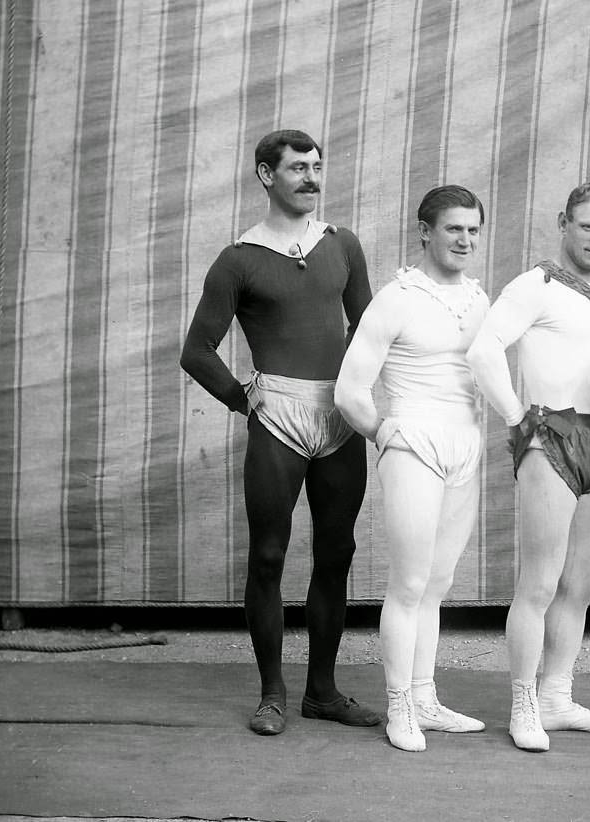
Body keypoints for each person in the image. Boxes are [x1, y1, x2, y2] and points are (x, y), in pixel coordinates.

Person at [180, 129, 381, 735]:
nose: (312, 178)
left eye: (317, 167)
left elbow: (370, 331)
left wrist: (363, 390)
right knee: (268, 557)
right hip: (278, 419)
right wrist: (244, 398)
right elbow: (197, 351)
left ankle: (323, 691)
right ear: (267, 175)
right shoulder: (238, 258)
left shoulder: (342, 244)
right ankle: (273, 693)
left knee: (336, 554)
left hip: (339, 419)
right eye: (298, 168)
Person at [466, 182, 590, 752]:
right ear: (563, 223)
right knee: (539, 582)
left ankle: (557, 696)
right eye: (588, 226)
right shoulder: (534, 285)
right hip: (552, 437)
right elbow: (484, 350)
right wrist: (515, 417)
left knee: (579, 583)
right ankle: (523, 701)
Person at [334, 185, 490, 752]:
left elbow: (486, 379)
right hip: (412, 443)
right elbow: (350, 391)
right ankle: (398, 705)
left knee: (439, 584)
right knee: (408, 584)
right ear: (425, 231)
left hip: (464, 447)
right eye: (454, 228)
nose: (465, 239)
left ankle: (424, 697)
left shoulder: (479, 299)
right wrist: (386, 432)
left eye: (473, 229)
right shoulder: (395, 298)